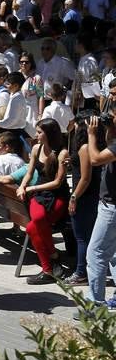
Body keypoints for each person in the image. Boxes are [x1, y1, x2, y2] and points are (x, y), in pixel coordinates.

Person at [17, 119, 69, 285]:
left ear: (49, 133)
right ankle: (51, 260)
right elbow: (29, 172)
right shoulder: (35, 148)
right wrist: (23, 185)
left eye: (39, 132)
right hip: (39, 195)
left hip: (57, 196)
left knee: (33, 226)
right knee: (37, 221)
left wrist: (32, 189)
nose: (36, 135)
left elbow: (58, 182)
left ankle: (49, 266)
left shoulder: (62, 153)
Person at [63, 115, 101, 286]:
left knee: (82, 237)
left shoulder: (85, 147)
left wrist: (73, 197)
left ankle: (80, 273)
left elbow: (85, 178)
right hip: (89, 195)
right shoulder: (92, 146)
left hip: (84, 196)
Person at [84, 109, 116, 309]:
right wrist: (110, 127)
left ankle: (95, 305)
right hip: (110, 204)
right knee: (113, 255)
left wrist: (91, 134)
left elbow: (95, 159)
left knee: (95, 253)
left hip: (112, 207)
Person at [18, 52, 42, 137]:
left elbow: (41, 96)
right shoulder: (15, 76)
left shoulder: (36, 78)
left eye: (27, 62)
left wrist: (40, 114)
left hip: (31, 112)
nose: (24, 64)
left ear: (31, 63)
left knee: (32, 136)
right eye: (21, 62)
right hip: (18, 110)